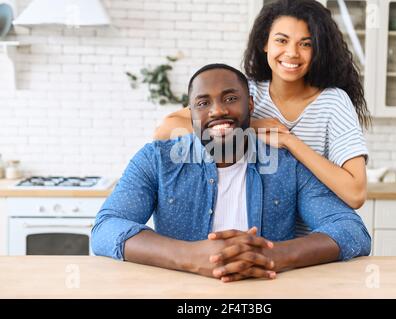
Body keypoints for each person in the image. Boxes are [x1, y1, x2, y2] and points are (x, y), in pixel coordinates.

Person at [91, 64, 371, 283]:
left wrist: (275, 255)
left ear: (250, 105)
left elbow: (352, 231)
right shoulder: (156, 159)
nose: (218, 110)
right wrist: (188, 255)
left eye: (230, 98)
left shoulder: (286, 164)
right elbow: (105, 229)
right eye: (203, 103)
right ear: (190, 114)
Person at [153, 0, 371, 237]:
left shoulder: (333, 102)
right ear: (264, 43)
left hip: (310, 247)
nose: (292, 53)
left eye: (305, 44)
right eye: (281, 40)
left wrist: (290, 142)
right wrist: (251, 124)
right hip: (256, 236)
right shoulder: (247, 93)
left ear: (318, 50)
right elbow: (167, 129)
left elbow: (355, 193)